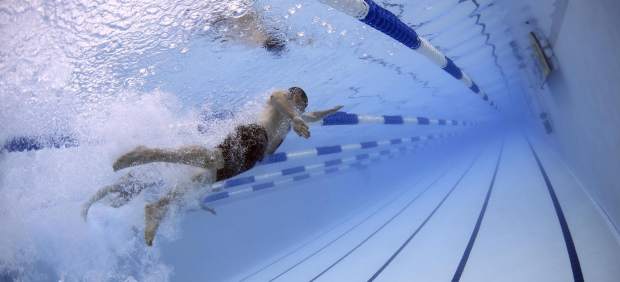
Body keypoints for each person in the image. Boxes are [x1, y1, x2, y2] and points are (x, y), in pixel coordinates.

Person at [82, 87, 343, 246]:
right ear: (293, 95)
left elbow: (313, 116)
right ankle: (148, 154)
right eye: (298, 101)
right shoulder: (282, 100)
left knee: (202, 179)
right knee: (210, 159)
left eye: (301, 105)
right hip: (252, 135)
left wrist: (330, 111)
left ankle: (159, 206)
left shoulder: (292, 119)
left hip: (250, 159)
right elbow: (280, 99)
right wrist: (296, 116)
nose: (299, 106)